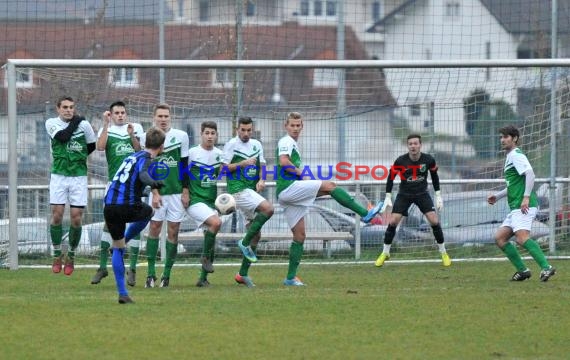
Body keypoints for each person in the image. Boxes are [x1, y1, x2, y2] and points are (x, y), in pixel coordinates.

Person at [276, 112, 383, 286]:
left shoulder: (293, 144)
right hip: (288, 189)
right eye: (292, 125)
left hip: (288, 195)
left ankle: (290, 278)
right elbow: (284, 162)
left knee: (300, 236)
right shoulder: (285, 141)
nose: (295, 128)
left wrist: (305, 178)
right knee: (331, 186)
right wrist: (301, 172)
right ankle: (365, 214)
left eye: (298, 125)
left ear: (302, 126)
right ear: (286, 126)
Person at [104, 127, 165, 304]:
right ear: (161, 147)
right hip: (126, 205)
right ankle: (127, 239)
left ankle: (123, 293)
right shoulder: (146, 159)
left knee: (118, 247)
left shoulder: (132, 156)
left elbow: (130, 181)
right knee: (149, 212)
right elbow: (143, 174)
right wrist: (154, 184)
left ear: (146, 142)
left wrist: (145, 190)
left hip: (110, 206)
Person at [487, 125, 556, 281]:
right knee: (500, 238)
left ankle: (547, 267)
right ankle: (523, 271)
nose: (502, 140)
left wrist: (525, 197)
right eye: (501, 137)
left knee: (522, 237)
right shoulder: (511, 156)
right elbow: (513, 185)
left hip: (524, 205)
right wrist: (497, 196)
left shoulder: (516, 155)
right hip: (516, 206)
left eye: (505, 137)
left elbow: (530, 174)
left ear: (515, 138)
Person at [374, 134, 451, 267]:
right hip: (404, 194)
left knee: (434, 221)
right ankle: (385, 252)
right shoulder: (400, 161)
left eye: (415, 143)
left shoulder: (428, 160)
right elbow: (390, 177)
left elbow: (434, 177)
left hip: (422, 194)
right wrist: (387, 196)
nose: (413, 146)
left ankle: (443, 252)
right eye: (410, 144)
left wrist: (438, 196)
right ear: (407, 146)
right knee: (393, 221)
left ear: (420, 145)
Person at [91, 101, 144, 286]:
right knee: (109, 224)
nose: (120, 115)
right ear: (111, 115)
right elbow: (100, 146)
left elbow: (140, 151)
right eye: (117, 113)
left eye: (123, 112)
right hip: (113, 185)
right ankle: (102, 267)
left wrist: (132, 136)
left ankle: (133, 268)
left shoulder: (135, 128)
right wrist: (105, 124)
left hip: (133, 187)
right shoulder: (107, 129)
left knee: (135, 223)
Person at [45, 96, 97, 275]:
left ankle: (72, 256)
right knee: (57, 214)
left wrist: (78, 156)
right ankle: (57, 254)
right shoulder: (52, 123)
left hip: (78, 176)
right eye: (65, 107)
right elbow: (62, 137)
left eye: (72, 107)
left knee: (76, 217)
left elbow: (91, 146)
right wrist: (76, 120)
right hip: (59, 175)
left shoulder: (85, 126)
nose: (69, 110)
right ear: (58, 108)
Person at [140, 103, 189, 288]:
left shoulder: (181, 136)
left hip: (176, 193)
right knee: (154, 229)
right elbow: (146, 168)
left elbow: (184, 165)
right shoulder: (149, 137)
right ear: (154, 118)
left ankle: (166, 275)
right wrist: (154, 192)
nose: (163, 119)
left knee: (173, 232)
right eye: (159, 116)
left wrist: (185, 190)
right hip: (158, 193)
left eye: (166, 116)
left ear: (171, 117)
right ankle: (150, 274)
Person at [222, 116, 274, 288]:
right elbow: (222, 169)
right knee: (268, 209)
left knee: (256, 235)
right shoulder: (231, 145)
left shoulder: (257, 145)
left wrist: (262, 180)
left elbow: (263, 166)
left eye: (248, 130)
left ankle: (242, 274)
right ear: (237, 129)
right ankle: (243, 243)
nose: (245, 133)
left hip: (250, 191)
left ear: (252, 130)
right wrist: (242, 163)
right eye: (242, 130)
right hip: (238, 190)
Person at [186, 121, 224, 287]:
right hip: (195, 200)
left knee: (212, 235)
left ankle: (203, 279)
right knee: (216, 223)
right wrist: (185, 192)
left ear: (216, 135)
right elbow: (183, 175)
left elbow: (225, 172)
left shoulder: (219, 154)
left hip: (210, 203)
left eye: (212, 133)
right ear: (201, 134)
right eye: (207, 133)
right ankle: (205, 258)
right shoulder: (192, 153)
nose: (210, 136)